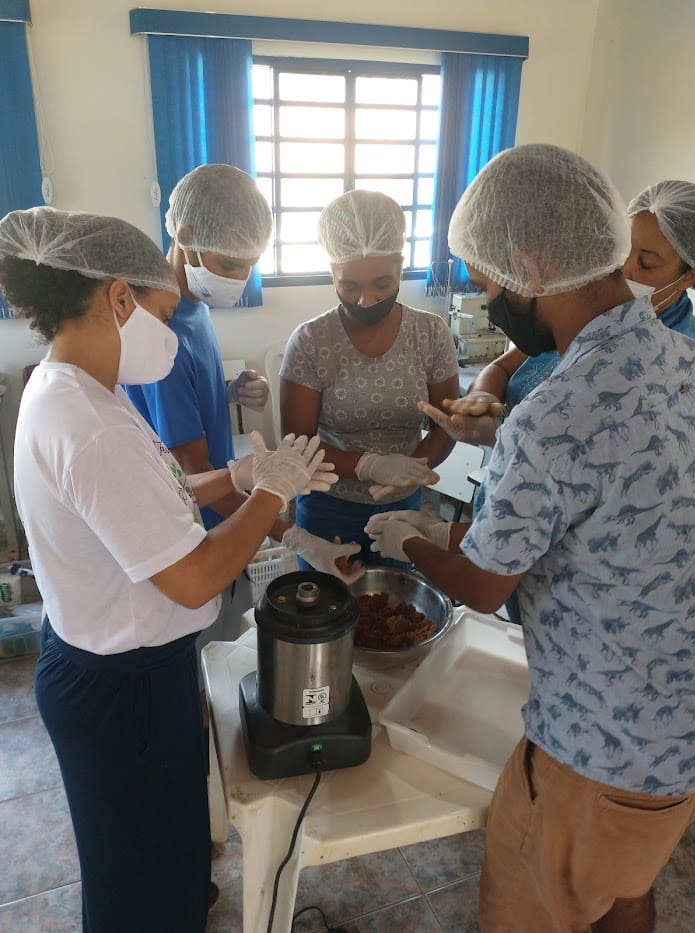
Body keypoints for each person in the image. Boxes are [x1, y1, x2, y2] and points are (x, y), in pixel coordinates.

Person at [365, 145, 695, 933]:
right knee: (624, 889)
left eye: (484, 279)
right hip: (677, 730)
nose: (485, 299)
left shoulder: (557, 410)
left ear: (529, 264)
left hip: (593, 743)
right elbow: (600, 510)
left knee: (530, 901)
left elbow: (485, 585)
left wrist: (408, 537)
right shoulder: (682, 359)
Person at [0, 206, 336, 933]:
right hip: (120, 689)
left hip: (128, 667)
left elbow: (159, 494)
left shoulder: (82, 390)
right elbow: (193, 578)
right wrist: (274, 491)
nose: (173, 327)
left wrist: (239, 476)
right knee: (135, 887)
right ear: (119, 296)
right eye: (164, 308)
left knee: (170, 854)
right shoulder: (86, 425)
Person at [423, 178, 695, 624]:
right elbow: (505, 372)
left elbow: (482, 585)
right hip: (529, 561)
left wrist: (416, 541)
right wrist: (486, 406)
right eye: (622, 252)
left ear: (691, 274)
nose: (626, 272)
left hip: (588, 600)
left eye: (646, 263)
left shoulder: (676, 361)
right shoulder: (582, 321)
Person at [126, 164, 364, 651]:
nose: (242, 277)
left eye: (250, 264)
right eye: (231, 264)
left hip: (217, 532)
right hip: (195, 537)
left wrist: (231, 389)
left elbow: (183, 397)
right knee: (203, 665)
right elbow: (198, 480)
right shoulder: (161, 332)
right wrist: (292, 534)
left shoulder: (190, 308)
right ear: (186, 237)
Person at [279, 189, 460, 568]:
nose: (366, 300)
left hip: (403, 511)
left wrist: (412, 471)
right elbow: (298, 446)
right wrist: (368, 465)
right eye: (350, 286)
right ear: (332, 274)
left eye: (382, 283)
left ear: (401, 264)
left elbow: (446, 426)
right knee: (326, 620)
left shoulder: (429, 333)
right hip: (327, 510)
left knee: (397, 617)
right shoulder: (312, 341)